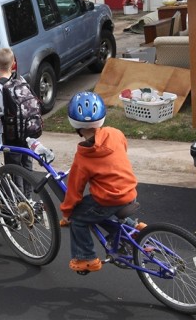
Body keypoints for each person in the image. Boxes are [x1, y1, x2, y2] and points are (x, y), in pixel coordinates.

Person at [60, 91, 146, 273]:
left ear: (73, 123)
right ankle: (133, 228)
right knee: (99, 211)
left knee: (79, 217)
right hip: (130, 192)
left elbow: (75, 190)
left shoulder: (83, 157)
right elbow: (123, 148)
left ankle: (86, 258)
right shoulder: (116, 134)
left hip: (109, 200)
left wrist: (67, 213)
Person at [0, 48, 33, 193]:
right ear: (13, 63)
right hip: (27, 129)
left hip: (11, 133)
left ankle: (18, 200)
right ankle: (28, 197)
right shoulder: (20, 79)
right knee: (27, 163)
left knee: (14, 167)